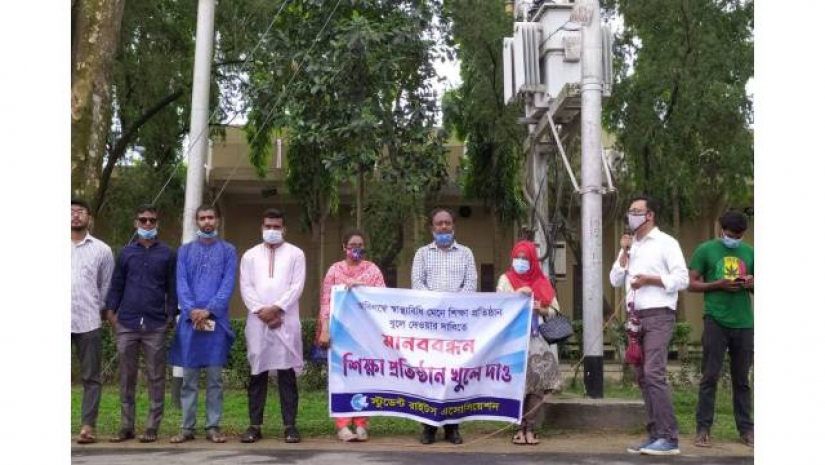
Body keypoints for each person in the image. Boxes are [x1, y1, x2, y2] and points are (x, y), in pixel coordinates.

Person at [609, 194, 689, 456]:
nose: (631, 215)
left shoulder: (666, 243)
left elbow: (682, 279)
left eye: (636, 210)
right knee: (643, 377)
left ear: (649, 215)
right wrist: (623, 251)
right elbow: (614, 279)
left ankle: (669, 437)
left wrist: (650, 280)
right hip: (635, 318)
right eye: (629, 211)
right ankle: (655, 434)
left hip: (659, 315)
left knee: (654, 373)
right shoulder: (632, 246)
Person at [105, 205, 177, 443]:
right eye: (143, 220)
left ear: (157, 223)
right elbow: (117, 284)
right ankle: (126, 426)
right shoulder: (126, 253)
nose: (147, 224)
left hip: (156, 324)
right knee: (126, 376)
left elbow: (172, 287)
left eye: (152, 220)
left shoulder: (167, 253)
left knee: (156, 376)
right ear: (136, 223)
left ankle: (152, 426)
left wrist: (170, 316)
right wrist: (111, 313)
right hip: (126, 322)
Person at [167, 205, 237, 444]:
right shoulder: (185, 252)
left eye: (211, 217)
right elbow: (181, 284)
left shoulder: (228, 251)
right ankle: (187, 428)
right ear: (197, 222)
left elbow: (227, 284)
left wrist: (209, 309)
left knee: (215, 378)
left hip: (215, 322)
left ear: (218, 220)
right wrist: (192, 310)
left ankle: (213, 427)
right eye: (202, 218)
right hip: (190, 322)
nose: (207, 221)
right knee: (189, 379)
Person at [239, 208, 307, 444]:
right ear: (261, 228)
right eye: (268, 226)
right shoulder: (249, 256)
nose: (272, 230)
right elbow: (246, 288)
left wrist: (277, 308)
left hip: (286, 321)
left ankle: (290, 426)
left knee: (287, 374)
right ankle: (254, 426)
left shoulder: (296, 254)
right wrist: (263, 312)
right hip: (258, 323)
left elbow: (296, 287)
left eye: (276, 227)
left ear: (284, 229)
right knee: (258, 374)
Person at [411, 207, 477, 445]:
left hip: (457, 327)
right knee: (430, 377)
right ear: (432, 228)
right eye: (439, 223)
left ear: (454, 226)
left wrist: (452, 307)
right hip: (429, 327)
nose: (443, 227)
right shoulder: (422, 254)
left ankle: (452, 428)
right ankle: (428, 427)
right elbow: (417, 284)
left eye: (447, 223)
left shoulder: (466, 254)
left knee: (453, 377)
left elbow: (470, 285)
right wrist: (438, 306)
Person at [688, 211, 754, 448]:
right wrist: (718, 284)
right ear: (720, 229)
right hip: (715, 320)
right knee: (710, 377)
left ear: (743, 233)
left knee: (742, 380)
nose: (733, 239)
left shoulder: (750, 252)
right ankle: (703, 429)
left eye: (738, 236)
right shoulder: (705, 250)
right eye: (729, 234)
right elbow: (691, 283)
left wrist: (752, 283)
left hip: (745, 323)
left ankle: (747, 430)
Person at [316, 229, 386, 442]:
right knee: (341, 378)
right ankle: (343, 425)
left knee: (363, 377)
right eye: (352, 245)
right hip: (339, 334)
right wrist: (325, 329)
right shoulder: (334, 270)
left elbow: (383, 297)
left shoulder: (372, 270)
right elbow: (326, 301)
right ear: (344, 247)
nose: (356, 249)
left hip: (365, 334)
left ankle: (362, 424)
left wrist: (362, 288)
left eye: (360, 245)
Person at [496, 240, 562, 446]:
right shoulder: (505, 279)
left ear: (533, 261)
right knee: (516, 383)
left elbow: (555, 310)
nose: (521, 262)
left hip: (537, 340)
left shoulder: (542, 281)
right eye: (518, 258)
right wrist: (517, 297)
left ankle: (530, 427)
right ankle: (517, 429)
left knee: (537, 384)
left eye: (526, 259)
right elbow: (498, 306)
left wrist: (538, 308)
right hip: (513, 339)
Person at [71, 199, 115, 444]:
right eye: (71, 212)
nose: (75, 216)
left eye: (80, 212)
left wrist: (100, 310)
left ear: (88, 217)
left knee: (91, 377)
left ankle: (88, 426)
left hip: (88, 321)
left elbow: (106, 287)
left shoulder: (102, 250)